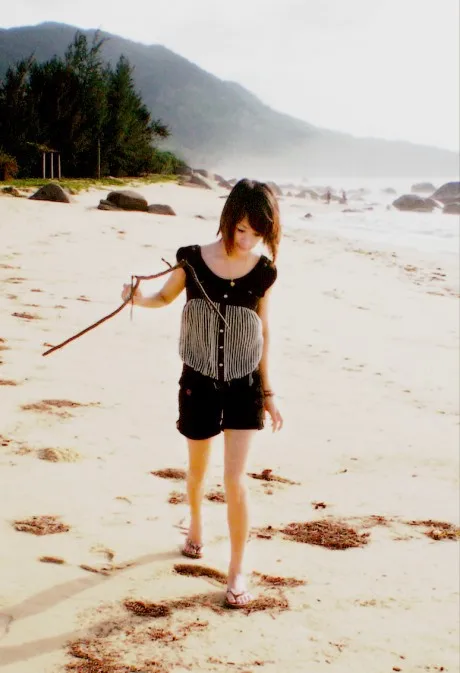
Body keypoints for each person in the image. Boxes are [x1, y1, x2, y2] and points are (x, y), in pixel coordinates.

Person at [121, 178, 283, 608]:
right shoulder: (191, 260)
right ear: (228, 219)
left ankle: (237, 570)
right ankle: (195, 524)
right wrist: (137, 299)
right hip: (199, 382)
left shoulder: (264, 272)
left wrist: (269, 393)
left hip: (245, 385)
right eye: (242, 229)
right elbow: (163, 297)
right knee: (196, 472)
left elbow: (263, 331)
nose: (247, 241)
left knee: (235, 479)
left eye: (257, 234)